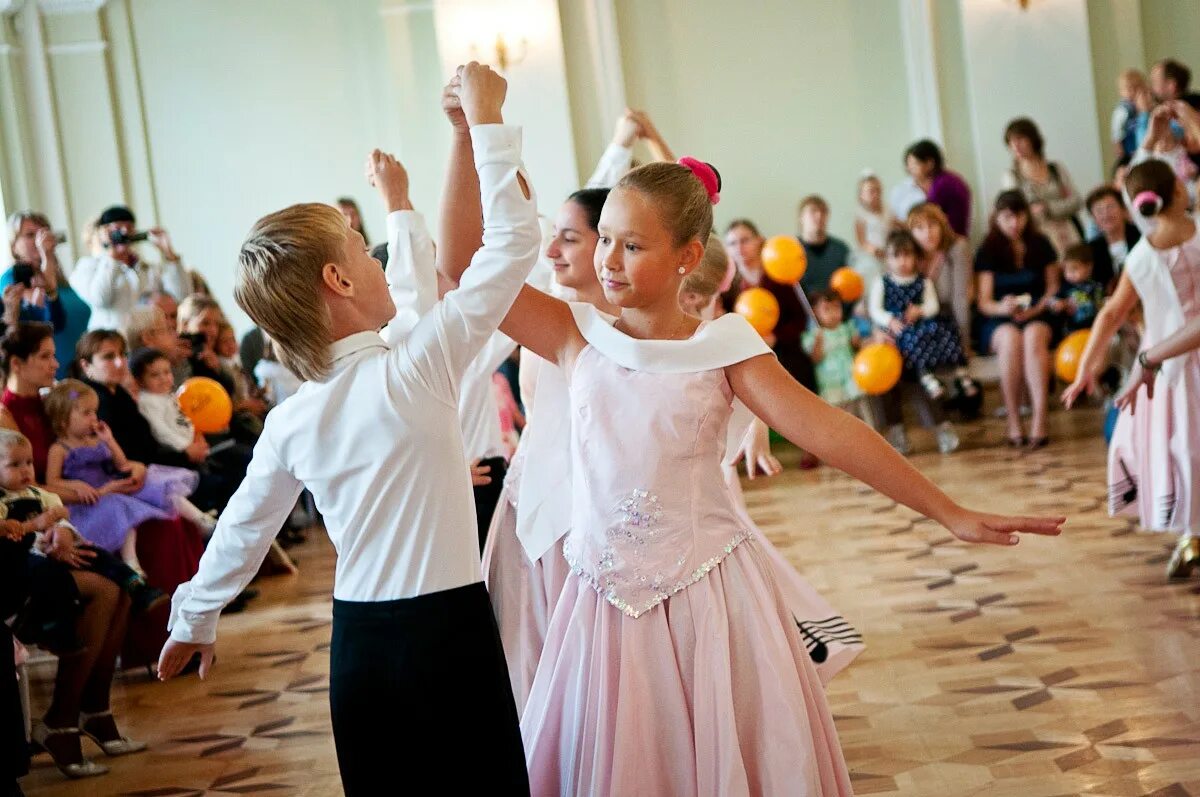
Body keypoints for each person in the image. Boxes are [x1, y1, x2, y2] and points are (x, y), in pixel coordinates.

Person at [488, 154, 1062, 795]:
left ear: (687, 257)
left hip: (709, 597)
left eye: (632, 245)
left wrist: (947, 510)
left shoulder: (725, 348)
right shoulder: (575, 334)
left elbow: (833, 432)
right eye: (605, 242)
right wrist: (476, 136)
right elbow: (468, 272)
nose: (609, 260)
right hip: (602, 607)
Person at [158, 64, 536, 795]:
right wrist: (488, 122)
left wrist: (196, 615)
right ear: (338, 280)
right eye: (365, 250)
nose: (380, 259)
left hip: (359, 649)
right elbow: (513, 243)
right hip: (447, 639)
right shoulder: (416, 367)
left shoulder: (295, 416)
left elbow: (244, 523)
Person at [0, 323, 146, 780]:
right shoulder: (6, 414)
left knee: (117, 590)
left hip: (49, 524)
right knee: (104, 590)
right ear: (16, 363)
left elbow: (46, 480)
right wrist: (50, 524)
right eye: (44, 355)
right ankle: (62, 718)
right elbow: (21, 483)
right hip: (19, 546)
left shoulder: (48, 403)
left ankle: (93, 711)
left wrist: (60, 522)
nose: (54, 362)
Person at [1063, 159, 1200, 580]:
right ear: (1179, 192)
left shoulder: (1140, 257)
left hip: (1169, 367)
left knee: (1184, 448)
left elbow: (1110, 315)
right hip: (1170, 358)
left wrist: (1084, 369)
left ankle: (1191, 533)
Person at [43, 380, 211, 573]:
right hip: (92, 501)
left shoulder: (96, 439)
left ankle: (203, 522)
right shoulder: (59, 449)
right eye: (86, 413)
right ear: (63, 419)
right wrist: (76, 485)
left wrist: (109, 440)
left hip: (115, 485)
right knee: (119, 509)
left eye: (94, 412)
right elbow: (51, 482)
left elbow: (122, 463)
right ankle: (132, 563)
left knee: (157, 483)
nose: (94, 418)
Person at [0, 428, 167, 614]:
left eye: (29, 462)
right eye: (15, 465)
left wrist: (61, 525)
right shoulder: (3, 500)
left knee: (96, 554)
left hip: (56, 542)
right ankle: (54, 623)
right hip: (32, 553)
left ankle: (137, 586)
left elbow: (61, 511)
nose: (25, 470)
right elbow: (7, 531)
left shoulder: (38, 493)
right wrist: (35, 525)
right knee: (46, 577)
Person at [975, 190, 1060, 448]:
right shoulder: (987, 249)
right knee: (1010, 340)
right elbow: (984, 302)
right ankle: (1013, 419)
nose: (1014, 223)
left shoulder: (1042, 243)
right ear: (997, 218)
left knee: (1033, 335)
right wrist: (1004, 309)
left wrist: (1034, 310)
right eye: (1007, 217)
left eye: (1019, 216)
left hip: (1038, 313)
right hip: (1000, 318)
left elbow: (1053, 288)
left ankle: (1040, 419)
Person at [868, 230, 965, 454]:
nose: (902, 262)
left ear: (916, 258)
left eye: (907, 256)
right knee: (888, 382)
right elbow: (875, 309)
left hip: (918, 342)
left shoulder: (923, 282)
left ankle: (942, 427)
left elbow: (932, 307)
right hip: (891, 340)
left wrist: (919, 311)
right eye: (896, 256)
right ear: (888, 259)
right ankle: (896, 431)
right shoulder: (882, 282)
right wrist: (890, 320)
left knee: (920, 382)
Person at [70, 206, 191, 331]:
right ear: (103, 233)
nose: (124, 233)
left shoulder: (148, 269)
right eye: (117, 229)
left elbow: (181, 297)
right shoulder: (88, 266)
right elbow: (100, 300)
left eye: (129, 228)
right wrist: (113, 257)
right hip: (110, 338)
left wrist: (169, 253)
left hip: (146, 339)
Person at [5, 211, 90, 377]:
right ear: (14, 245)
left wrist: (48, 260)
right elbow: (46, 320)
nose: (39, 240)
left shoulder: (60, 280)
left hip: (78, 371)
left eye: (43, 233)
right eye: (30, 235)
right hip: (48, 374)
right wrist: (47, 256)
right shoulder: (12, 279)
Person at [1002, 117, 1084, 257]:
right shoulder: (1012, 176)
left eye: (1020, 139)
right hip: (1038, 241)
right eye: (1011, 142)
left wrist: (1047, 208)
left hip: (1070, 236)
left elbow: (1076, 201)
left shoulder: (1056, 169)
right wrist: (1058, 205)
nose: (1016, 145)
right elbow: (1018, 212)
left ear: (1033, 139)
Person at [907, 202, 975, 355]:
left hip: (949, 322)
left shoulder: (958, 248)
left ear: (942, 226)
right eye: (919, 228)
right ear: (910, 233)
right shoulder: (909, 255)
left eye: (932, 225)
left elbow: (961, 300)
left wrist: (964, 344)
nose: (927, 233)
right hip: (918, 324)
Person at [801, 290, 864, 412]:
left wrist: (857, 341)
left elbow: (856, 347)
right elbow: (815, 358)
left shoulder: (846, 328)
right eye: (826, 309)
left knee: (859, 406)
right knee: (841, 411)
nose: (833, 313)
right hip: (830, 381)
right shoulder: (814, 335)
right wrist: (818, 341)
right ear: (815, 312)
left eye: (837, 308)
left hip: (851, 375)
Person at [903, 139, 972, 237]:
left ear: (930, 164)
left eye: (915, 164)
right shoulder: (948, 179)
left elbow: (927, 218)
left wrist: (904, 225)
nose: (909, 169)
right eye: (909, 165)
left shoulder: (942, 185)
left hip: (950, 241)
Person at [1085, 185, 1141, 289]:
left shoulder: (1141, 237)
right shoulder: (1091, 249)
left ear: (1123, 210)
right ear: (1094, 218)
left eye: (1110, 207)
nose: (1106, 214)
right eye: (1099, 210)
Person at [797, 194, 852, 294]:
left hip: (835, 307)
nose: (819, 216)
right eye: (813, 211)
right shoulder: (791, 250)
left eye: (823, 211)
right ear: (801, 217)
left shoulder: (840, 250)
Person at [1048, 244, 1105, 335]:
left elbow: (1100, 306)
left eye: (1074, 269)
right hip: (1073, 330)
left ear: (1089, 267)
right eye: (1066, 270)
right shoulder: (1066, 287)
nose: (1070, 274)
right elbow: (1051, 301)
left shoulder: (1096, 287)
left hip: (1095, 328)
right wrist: (1058, 304)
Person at [852, 172, 890, 290]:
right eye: (871, 191)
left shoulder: (887, 211)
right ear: (861, 195)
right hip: (870, 256)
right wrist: (874, 250)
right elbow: (861, 240)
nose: (875, 194)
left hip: (887, 254)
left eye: (878, 190)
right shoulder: (861, 215)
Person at [1111, 69, 1147, 162]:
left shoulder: (1145, 106)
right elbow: (1117, 131)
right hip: (1128, 147)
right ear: (1121, 92)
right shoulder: (1123, 110)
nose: (1132, 92)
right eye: (1128, 89)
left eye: (1136, 88)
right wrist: (1119, 149)